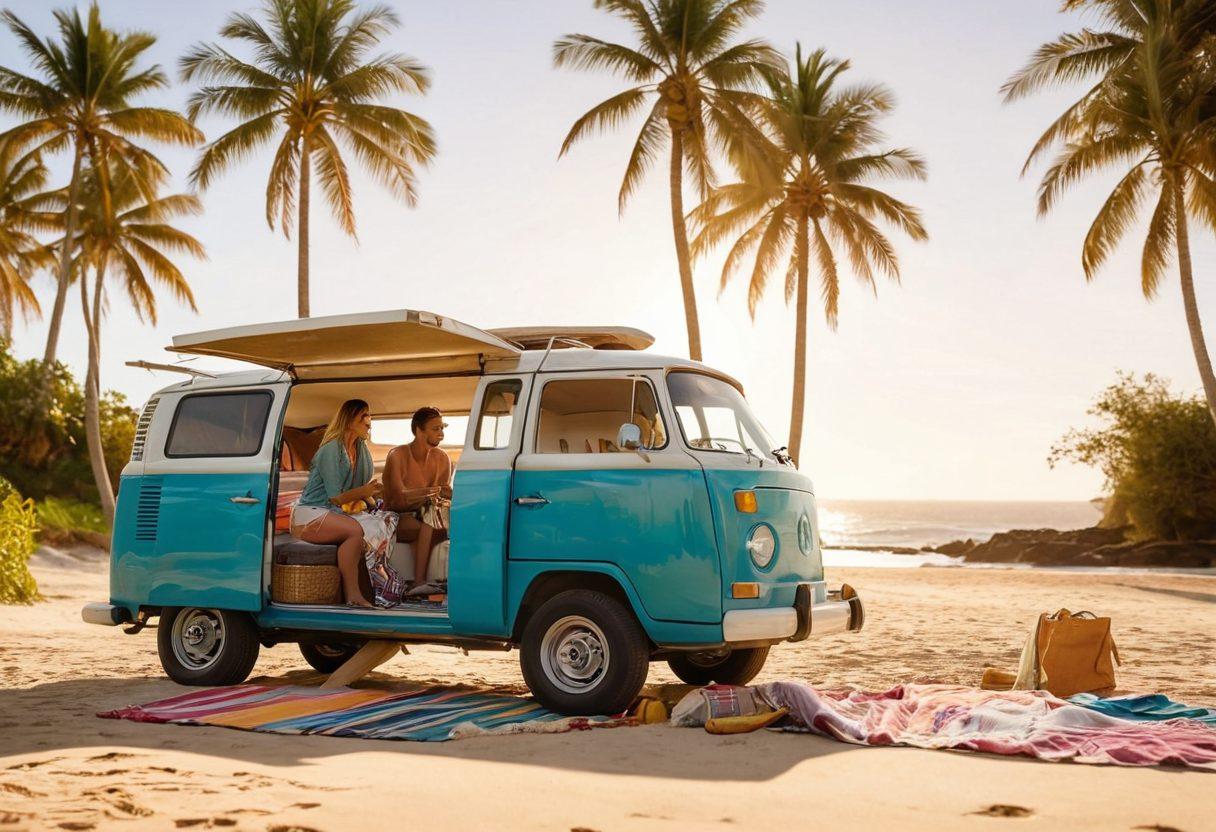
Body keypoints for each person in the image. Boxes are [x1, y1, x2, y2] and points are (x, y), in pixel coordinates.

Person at [289, 398, 381, 607]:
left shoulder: (359, 450)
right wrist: (364, 491)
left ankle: (372, 592)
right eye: (363, 416)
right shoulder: (331, 450)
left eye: (369, 416)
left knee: (380, 526)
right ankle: (353, 595)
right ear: (349, 420)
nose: (369, 422)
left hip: (331, 513)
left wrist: (371, 495)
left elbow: (356, 489)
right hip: (310, 513)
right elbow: (335, 497)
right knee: (354, 530)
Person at [383, 406, 453, 595]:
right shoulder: (397, 455)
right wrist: (433, 492)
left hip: (426, 518)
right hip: (397, 517)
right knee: (430, 515)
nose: (441, 434)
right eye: (435, 429)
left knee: (443, 518)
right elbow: (398, 498)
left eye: (442, 428)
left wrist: (450, 495)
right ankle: (418, 582)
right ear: (418, 430)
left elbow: (440, 498)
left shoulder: (443, 458)